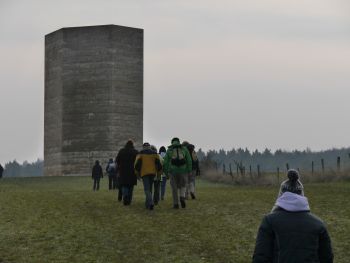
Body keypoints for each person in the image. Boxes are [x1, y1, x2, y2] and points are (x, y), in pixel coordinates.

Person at [252, 169, 333, 263]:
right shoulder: (318, 224)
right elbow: (327, 258)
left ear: (281, 195)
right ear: (302, 195)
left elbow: (260, 257)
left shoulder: (269, 221)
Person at [163, 137, 192, 209]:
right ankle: (182, 197)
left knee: (174, 188)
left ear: (172, 142)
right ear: (179, 142)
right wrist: (189, 170)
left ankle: (176, 204)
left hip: (173, 171)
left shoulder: (169, 150)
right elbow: (189, 160)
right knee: (183, 185)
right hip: (183, 170)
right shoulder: (184, 149)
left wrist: (166, 173)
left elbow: (165, 162)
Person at [134, 143, 162, 210]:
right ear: (149, 147)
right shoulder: (155, 154)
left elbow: (136, 165)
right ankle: (147, 205)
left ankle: (150, 202)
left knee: (147, 189)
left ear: (143, 147)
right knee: (150, 189)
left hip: (144, 173)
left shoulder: (140, 154)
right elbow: (159, 165)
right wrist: (158, 174)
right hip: (152, 173)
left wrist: (137, 174)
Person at [116, 139, 138, 205]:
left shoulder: (121, 151)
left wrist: (119, 167)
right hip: (132, 171)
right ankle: (129, 200)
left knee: (124, 185)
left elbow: (117, 160)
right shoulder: (135, 152)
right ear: (132, 144)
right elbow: (138, 161)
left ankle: (125, 196)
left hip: (123, 171)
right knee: (131, 186)